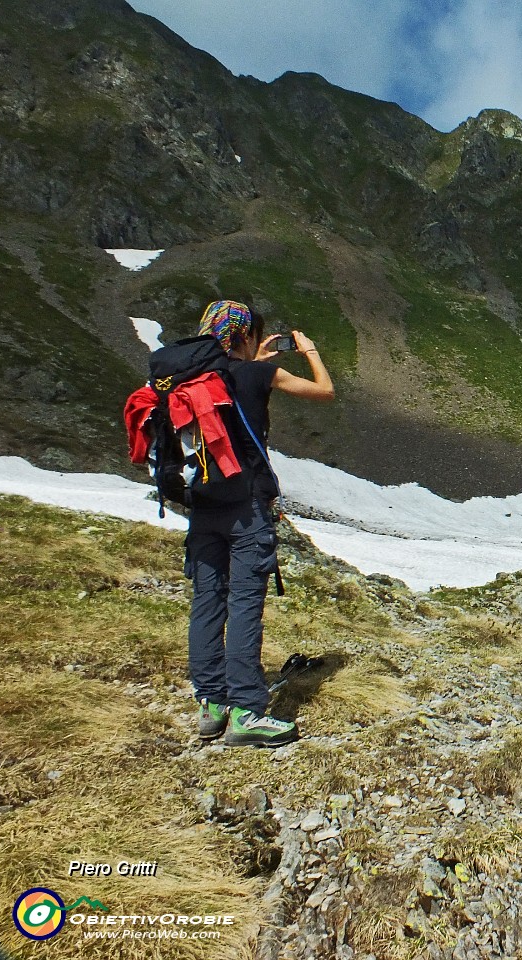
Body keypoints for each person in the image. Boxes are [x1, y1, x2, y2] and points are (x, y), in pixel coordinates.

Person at [188, 300, 334, 747]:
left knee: (208, 599)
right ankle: (248, 712)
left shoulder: (193, 379)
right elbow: (324, 391)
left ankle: (211, 704)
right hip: (246, 506)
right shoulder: (259, 375)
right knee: (246, 602)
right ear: (247, 336)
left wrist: (253, 360)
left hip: (203, 503)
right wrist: (308, 350)